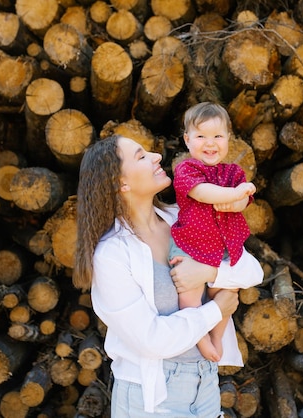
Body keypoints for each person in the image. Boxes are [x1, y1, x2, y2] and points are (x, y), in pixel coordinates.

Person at [72, 134, 263, 417]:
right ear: (120, 183)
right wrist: (216, 310)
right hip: (152, 397)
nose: (156, 156)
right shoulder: (112, 255)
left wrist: (208, 271)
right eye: (141, 156)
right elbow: (152, 340)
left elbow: (251, 271)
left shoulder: (182, 219)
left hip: (206, 382)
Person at [170, 102, 257, 362]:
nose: (210, 143)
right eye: (200, 136)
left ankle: (218, 337)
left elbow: (244, 202)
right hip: (191, 245)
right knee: (189, 291)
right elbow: (201, 192)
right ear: (187, 140)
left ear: (228, 138)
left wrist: (238, 200)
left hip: (224, 250)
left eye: (218, 136)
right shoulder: (187, 170)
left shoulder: (233, 172)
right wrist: (231, 194)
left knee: (228, 294)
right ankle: (200, 337)